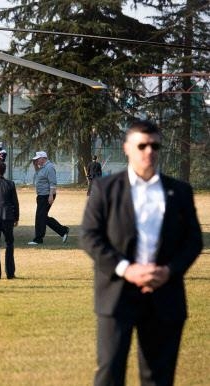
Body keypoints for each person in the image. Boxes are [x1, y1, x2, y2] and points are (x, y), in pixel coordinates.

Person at [79, 119, 203, 386]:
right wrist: (127, 269)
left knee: (158, 378)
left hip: (165, 295)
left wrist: (168, 271)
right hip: (116, 295)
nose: (149, 151)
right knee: (109, 373)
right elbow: (90, 236)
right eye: (142, 145)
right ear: (127, 148)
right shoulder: (105, 189)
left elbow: (193, 241)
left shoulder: (179, 191)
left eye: (155, 145)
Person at [28, 151, 69, 245]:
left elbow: (53, 183)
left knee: (40, 217)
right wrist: (35, 166)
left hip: (47, 195)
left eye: (37, 159)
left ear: (43, 158)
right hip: (41, 195)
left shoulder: (49, 167)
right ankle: (63, 230)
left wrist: (51, 195)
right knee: (42, 217)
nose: (36, 161)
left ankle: (38, 239)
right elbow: (39, 175)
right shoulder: (42, 167)